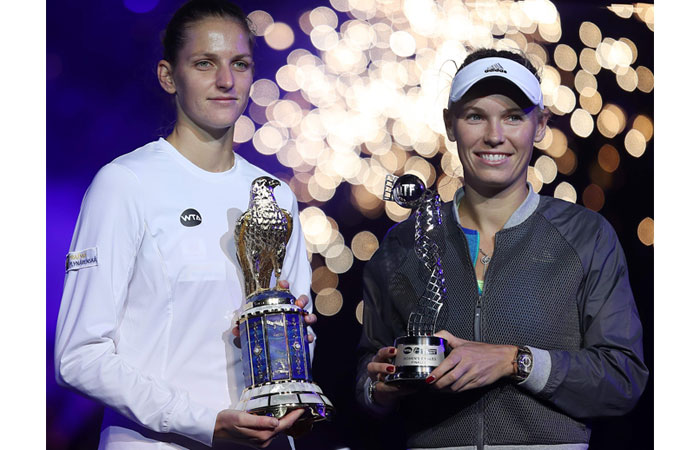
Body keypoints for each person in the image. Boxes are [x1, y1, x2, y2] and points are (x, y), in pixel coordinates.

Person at [356, 48, 649, 449]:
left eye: (514, 116)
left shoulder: (586, 236)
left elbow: (623, 377)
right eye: (475, 115)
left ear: (541, 124)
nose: (495, 135)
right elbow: (365, 377)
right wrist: (379, 390)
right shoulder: (404, 243)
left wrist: (515, 361)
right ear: (451, 124)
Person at [54, 1, 315, 448]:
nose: (226, 81)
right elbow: (79, 356)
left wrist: (295, 340)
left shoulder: (276, 195)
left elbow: (297, 334)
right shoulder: (125, 184)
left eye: (240, 64)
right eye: (204, 63)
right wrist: (202, 420)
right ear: (168, 76)